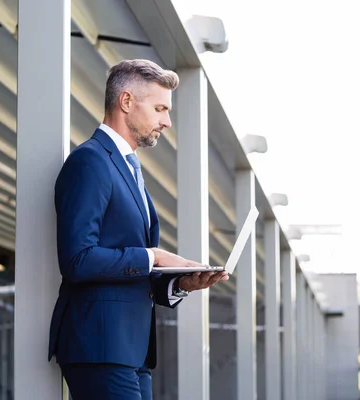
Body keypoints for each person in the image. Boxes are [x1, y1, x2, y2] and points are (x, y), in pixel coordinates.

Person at [47, 59, 229, 399]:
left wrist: (181, 283)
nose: (167, 121)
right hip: (100, 346)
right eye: (160, 108)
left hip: (132, 350)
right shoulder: (90, 162)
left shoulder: (129, 169)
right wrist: (155, 256)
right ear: (126, 102)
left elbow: (130, 272)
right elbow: (77, 259)